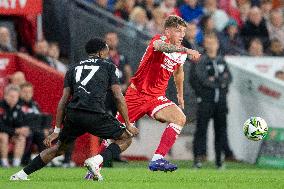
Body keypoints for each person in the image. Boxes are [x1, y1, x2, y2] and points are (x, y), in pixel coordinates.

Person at [86, 15, 201, 179]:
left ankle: (157, 159)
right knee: (116, 136)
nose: (182, 34)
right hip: (136, 95)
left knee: (179, 119)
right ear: (167, 31)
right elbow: (161, 46)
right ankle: (95, 166)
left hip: (156, 98)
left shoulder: (180, 53)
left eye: (183, 31)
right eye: (178, 31)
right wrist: (185, 49)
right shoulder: (158, 40)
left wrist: (180, 95)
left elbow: (178, 72)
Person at [10, 38, 139, 181]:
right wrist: (127, 124)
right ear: (101, 52)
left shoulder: (73, 68)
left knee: (58, 148)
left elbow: (63, 100)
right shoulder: (109, 66)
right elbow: (118, 96)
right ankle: (96, 162)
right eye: (106, 51)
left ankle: (21, 175)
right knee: (126, 138)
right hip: (94, 113)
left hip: (74, 114)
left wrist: (57, 130)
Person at [191, 34, 232, 169]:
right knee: (201, 130)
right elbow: (203, 80)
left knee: (220, 131)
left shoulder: (222, 61)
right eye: (208, 42)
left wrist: (216, 80)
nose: (211, 45)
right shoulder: (201, 61)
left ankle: (219, 161)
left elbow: (229, 78)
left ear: (217, 44)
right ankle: (198, 158)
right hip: (206, 101)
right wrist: (220, 82)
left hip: (221, 102)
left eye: (213, 42)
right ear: (205, 45)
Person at [0, 84, 30, 167]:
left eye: (15, 97)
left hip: (11, 134)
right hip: (3, 134)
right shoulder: (1, 106)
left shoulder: (18, 108)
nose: (13, 99)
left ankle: (16, 164)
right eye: (11, 96)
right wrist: (15, 131)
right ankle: (4, 163)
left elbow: (21, 123)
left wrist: (23, 129)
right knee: (4, 136)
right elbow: (1, 127)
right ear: (5, 96)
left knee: (21, 137)